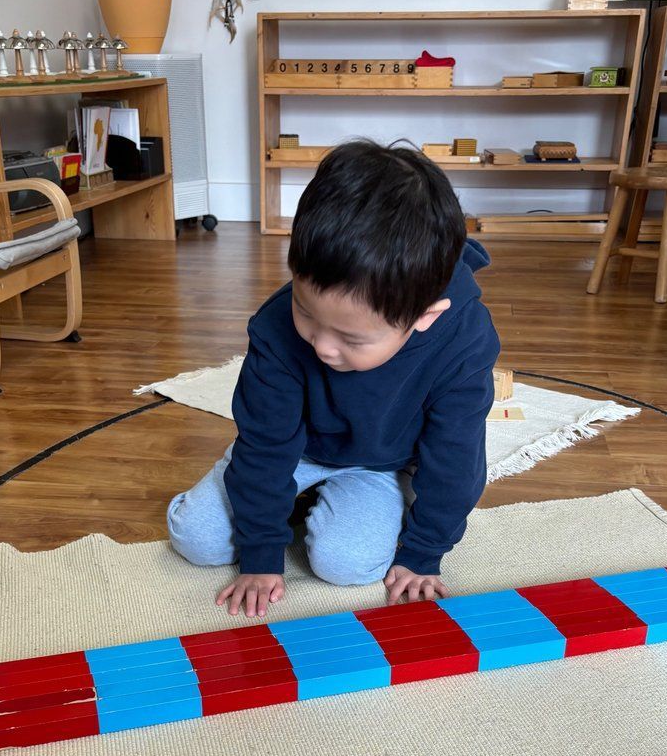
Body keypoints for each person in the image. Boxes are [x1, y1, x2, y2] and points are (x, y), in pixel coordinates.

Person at [167, 140, 500, 617]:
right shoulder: (276, 327)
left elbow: (456, 453)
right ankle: (285, 500)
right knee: (195, 540)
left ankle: (325, 502)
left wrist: (425, 552)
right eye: (306, 311)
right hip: (295, 448)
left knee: (346, 564)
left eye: (351, 339)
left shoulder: (464, 338)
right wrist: (261, 553)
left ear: (424, 317)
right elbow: (265, 443)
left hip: (382, 462)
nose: (321, 346)